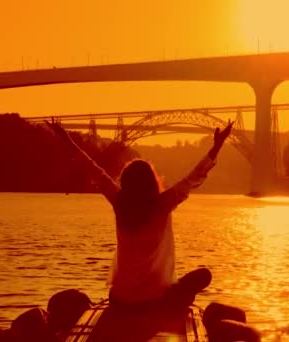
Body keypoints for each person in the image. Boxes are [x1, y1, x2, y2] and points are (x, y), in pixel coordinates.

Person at [46, 120, 233, 313]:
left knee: (174, 287)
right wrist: (216, 146)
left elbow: (92, 168)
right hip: (155, 300)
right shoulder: (163, 204)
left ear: (125, 182)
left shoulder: (119, 202)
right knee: (203, 275)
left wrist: (66, 139)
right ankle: (172, 303)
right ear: (153, 182)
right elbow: (194, 178)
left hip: (121, 300)